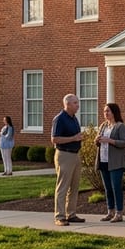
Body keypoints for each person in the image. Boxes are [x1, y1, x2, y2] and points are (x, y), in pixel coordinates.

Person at [51, 94, 85, 226]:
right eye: (75, 103)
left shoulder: (74, 118)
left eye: (78, 102)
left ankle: (71, 214)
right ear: (68, 104)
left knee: (74, 187)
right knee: (63, 186)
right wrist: (74, 138)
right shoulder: (59, 119)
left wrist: (78, 139)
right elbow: (54, 139)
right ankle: (59, 216)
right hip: (64, 155)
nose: (78, 105)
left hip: (75, 155)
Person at [96, 102, 125, 223]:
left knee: (116, 188)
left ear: (114, 112)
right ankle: (110, 212)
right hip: (103, 160)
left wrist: (110, 140)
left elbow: (124, 143)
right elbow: (98, 143)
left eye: (108, 111)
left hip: (115, 163)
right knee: (108, 188)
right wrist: (97, 140)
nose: (105, 113)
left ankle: (119, 213)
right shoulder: (103, 126)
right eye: (104, 111)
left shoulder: (120, 127)